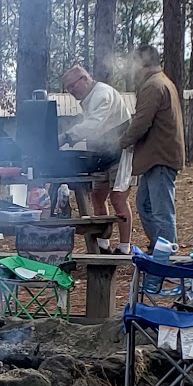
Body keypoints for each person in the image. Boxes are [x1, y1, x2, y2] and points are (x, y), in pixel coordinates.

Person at [116, 44, 186, 249]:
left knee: (161, 211)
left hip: (160, 157)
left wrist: (121, 142)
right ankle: (159, 246)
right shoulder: (160, 82)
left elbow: (141, 122)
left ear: (142, 63)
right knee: (145, 205)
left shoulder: (153, 86)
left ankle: (167, 254)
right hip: (154, 158)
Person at [61, 63, 135, 253]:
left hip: (120, 151)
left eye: (72, 86)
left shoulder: (102, 94)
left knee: (118, 197)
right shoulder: (89, 98)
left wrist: (67, 137)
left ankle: (125, 247)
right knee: (97, 197)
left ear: (84, 79)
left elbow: (93, 125)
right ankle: (103, 244)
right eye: (68, 89)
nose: (71, 92)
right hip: (102, 153)